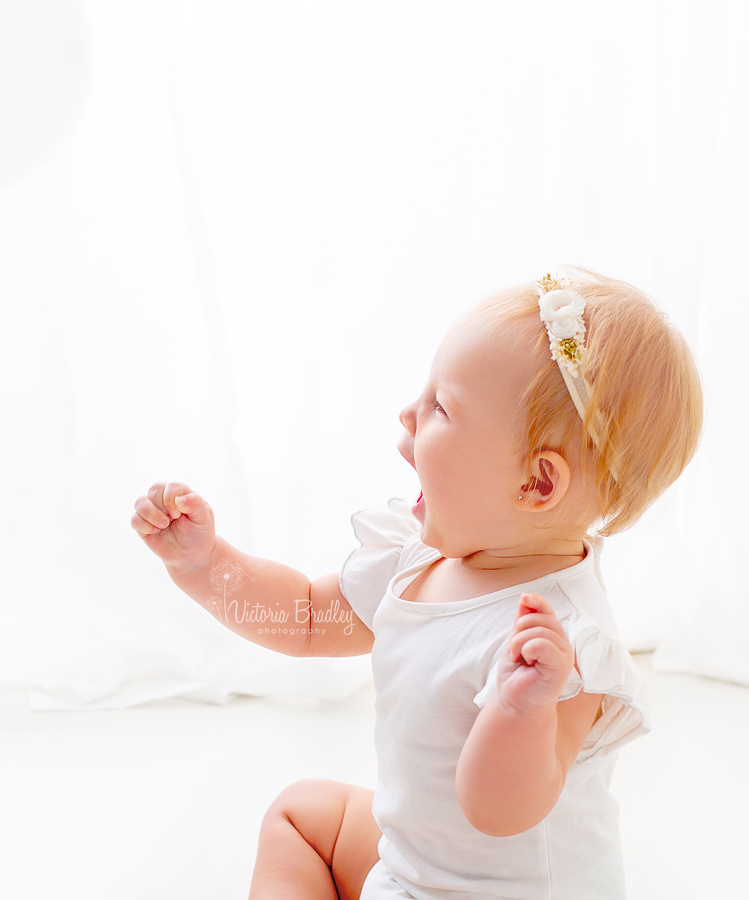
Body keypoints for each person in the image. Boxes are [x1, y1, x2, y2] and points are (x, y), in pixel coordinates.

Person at [131, 267, 703, 900]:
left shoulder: (560, 646)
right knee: (303, 815)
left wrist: (520, 711)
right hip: (417, 857)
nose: (407, 413)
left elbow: (502, 811)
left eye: (441, 407)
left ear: (537, 483)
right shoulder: (420, 561)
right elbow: (306, 620)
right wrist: (206, 566)